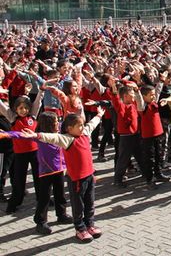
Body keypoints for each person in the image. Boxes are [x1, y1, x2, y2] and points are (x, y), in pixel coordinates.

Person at [15, 108, 105, 242]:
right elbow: (52, 137)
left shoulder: (85, 133)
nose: (82, 127)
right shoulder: (66, 139)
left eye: (82, 124)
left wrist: (99, 114)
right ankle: (80, 229)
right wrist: (35, 136)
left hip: (89, 177)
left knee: (90, 203)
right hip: (77, 179)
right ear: (69, 129)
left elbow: (92, 124)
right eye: (78, 125)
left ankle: (90, 224)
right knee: (78, 205)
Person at [0, 112, 72, 235]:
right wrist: (6, 134)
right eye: (55, 122)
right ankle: (41, 222)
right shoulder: (40, 137)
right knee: (44, 198)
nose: (58, 124)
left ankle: (62, 214)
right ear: (48, 125)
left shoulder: (59, 133)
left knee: (60, 195)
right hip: (46, 172)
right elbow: (20, 135)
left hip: (59, 170)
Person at [0, 84, 43, 214]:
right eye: (20, 108)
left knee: (39, 177)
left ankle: (42, 199)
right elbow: (2, 107)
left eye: (25, 108)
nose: (23, 110)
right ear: (16, 109)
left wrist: (41, 90)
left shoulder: (33, 116)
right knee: (19, 180)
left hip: (35, 152)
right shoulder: (13, 118)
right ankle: (14, 204)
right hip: (20, 154)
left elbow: (37, 102)